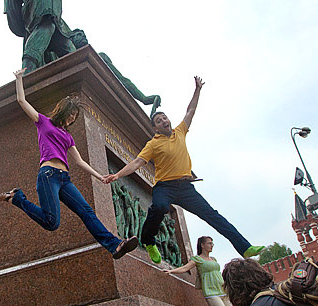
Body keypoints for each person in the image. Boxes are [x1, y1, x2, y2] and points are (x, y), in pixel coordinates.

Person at [102, 77, 263, 263]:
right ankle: (148, 240)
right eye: (159, 120)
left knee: (213, 216)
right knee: (160, 207)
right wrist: (117, 175)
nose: (163, 120)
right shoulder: (153, 144)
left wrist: (197, 90)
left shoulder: (180, 132)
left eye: (165, 118)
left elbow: (190, 111)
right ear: (155, 128)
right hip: (165, 187)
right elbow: (137, 162)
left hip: (186, 188)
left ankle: (245, 247)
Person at [0, 69, 138, 258]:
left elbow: (79, 161)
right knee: (52, 223)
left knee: (86, 212)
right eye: (71, 114)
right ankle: (17, 198)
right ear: (64, 111)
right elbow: (22, 101)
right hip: (48, 176)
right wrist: (19, 79)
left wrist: (99, 176)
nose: (73, 118)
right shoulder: (43, 122)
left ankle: (115, 245)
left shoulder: (68, 136)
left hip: (65, 179)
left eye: (75, 116)